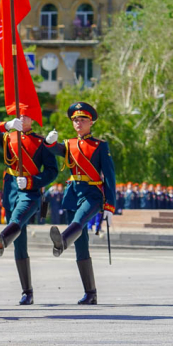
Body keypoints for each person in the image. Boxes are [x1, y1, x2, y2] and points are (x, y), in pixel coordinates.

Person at [0, 111, 58, 305]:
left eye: (26, 116)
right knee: (20, 244)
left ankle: (2, 240)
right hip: (11, 190)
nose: (22, 119)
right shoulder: (8, 137)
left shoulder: (42, 142)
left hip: (30, 193)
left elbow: (52, 171)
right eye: (19, 116)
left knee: (18, 217)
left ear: (33, 119)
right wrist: (5, 125)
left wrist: (32, 181)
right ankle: (27, 291)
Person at [47, 102, 116, 305]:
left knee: (78, 221)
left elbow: (110, 177)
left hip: (93, 193)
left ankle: (62, 241)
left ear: (91, 122)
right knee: (82, 246)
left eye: (82, 119)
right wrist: (50, 143)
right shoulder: (69, 144)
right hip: (73, 193)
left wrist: (110, 206)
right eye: (75, 119)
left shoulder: (100, 146)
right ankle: (90, 293)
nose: (78, 122)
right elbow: (57, 150)